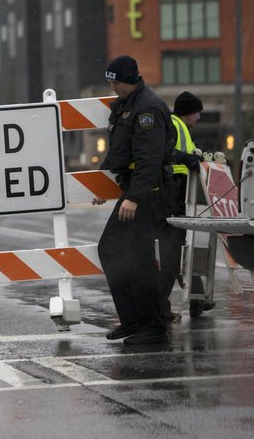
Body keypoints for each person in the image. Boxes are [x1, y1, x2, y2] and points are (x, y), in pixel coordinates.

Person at [93, 55, 176, 345]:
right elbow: (119, 151)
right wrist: (101, 185)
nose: (112, 86)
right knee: (116, 251)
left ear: (129, 79)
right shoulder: (127, 106)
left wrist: (134, 198)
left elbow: (150, 160)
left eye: (115, 80)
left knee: (134, 258)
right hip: (135, 192)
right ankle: (136, 320)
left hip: (147, 194)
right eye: (110, 81)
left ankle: (152, 326)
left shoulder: (147, 110)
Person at [160, 91, 214, 319]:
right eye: (197, 112)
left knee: (178, 245)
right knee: (174, 246)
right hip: (175, 189)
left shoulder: (181, 127)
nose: (199, 117)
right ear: (188, 112)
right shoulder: (173, 123)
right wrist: (186, 159)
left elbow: (185, 153)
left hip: (179, 189)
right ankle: (193, 298)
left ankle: (196, 297)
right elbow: (166, 151)